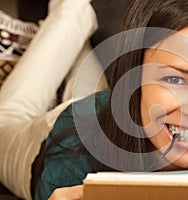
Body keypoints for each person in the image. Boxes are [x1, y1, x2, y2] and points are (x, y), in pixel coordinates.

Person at [1, 0, 188, 199]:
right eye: (175, 79)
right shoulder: (73, 150)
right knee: (10, 114)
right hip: (65, 130)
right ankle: (74, 10)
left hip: (128, 111)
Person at [0, 0, 108, 199]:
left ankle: (73, 11)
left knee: (5, 121)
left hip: (59, 143)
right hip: (92, 116)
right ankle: (73, 12)